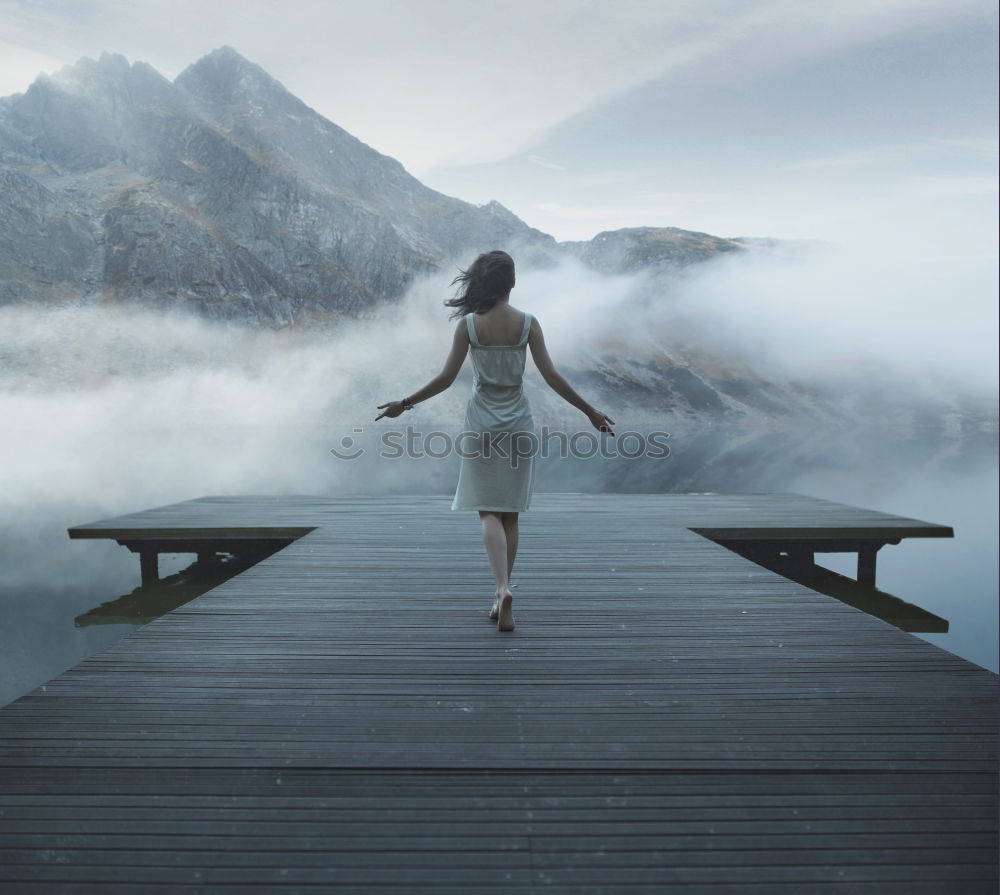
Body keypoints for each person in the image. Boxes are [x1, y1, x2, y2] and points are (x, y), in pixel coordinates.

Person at [376, 250, 614, 632]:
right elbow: (552, 376)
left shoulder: (469, 326)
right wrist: (590, 412)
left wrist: (404, 404)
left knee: (487, 509)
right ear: (513, 283)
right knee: (510, 512)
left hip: (482, 425)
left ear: (482, 284)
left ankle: (501, 589)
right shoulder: (528, 324)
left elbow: (446, 378)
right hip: (518, 424)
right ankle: (501, 592)